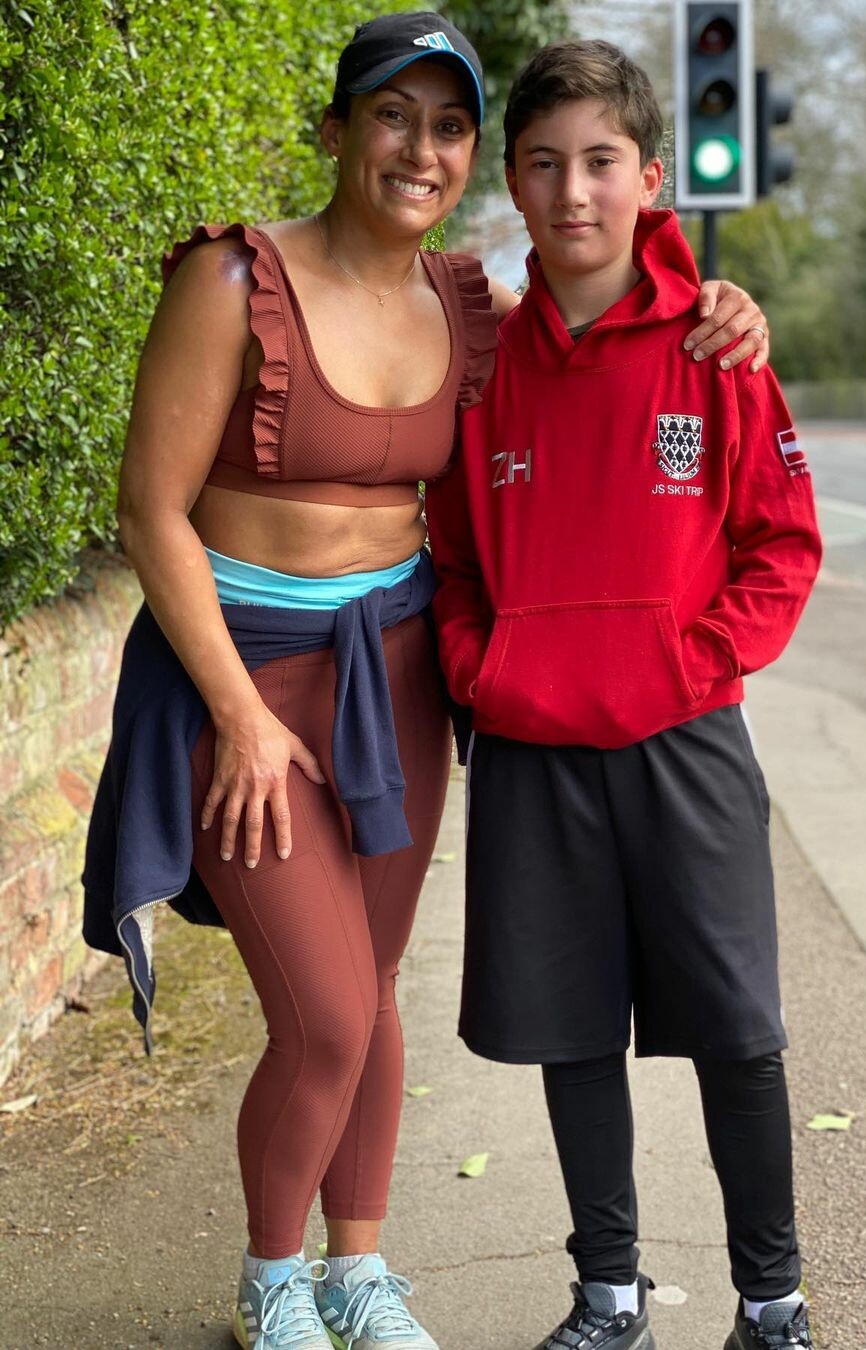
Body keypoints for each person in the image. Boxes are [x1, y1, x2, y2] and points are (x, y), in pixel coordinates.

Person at [80, 13, 774, 1350]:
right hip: (242, 681)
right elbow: (150, 509)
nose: (420, 149)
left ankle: (357, 1270)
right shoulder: (231, 280)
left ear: (469, 157)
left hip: (392, 678)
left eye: (449, 126)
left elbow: (600, 324)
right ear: (336, 131)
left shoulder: (469, 308)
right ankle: (271, 1280)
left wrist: (719, 303)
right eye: (392, 116)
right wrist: (236, 716)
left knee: (377, 985)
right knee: (328, 1014)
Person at [426, 38, 822, 1350]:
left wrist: (691, 663)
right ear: (513, 183)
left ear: (650, 177)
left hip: (687, 738)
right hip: (535, 747)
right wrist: (485, 669)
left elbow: (782, 545)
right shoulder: (481, 364)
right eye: (543, 164)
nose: (572, 190)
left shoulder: (717, 345)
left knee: (739, 1032)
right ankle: (609, 1298)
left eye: (600, 161)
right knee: (572, 1030)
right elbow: (454, 562)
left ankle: (772, 1305)